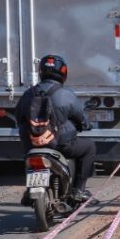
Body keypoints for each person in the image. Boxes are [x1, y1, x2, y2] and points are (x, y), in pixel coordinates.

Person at [15, 55, 94, 204]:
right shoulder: (67, 94)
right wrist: (85, 125)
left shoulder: (28, 94)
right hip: (60, 145)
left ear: (41, 71)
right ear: (63, 72)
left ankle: (29, 189)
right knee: (89, 147)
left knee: (27, 156)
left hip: (32, 144)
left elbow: (18, 116)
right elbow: (81, 118)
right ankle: (79, 190)